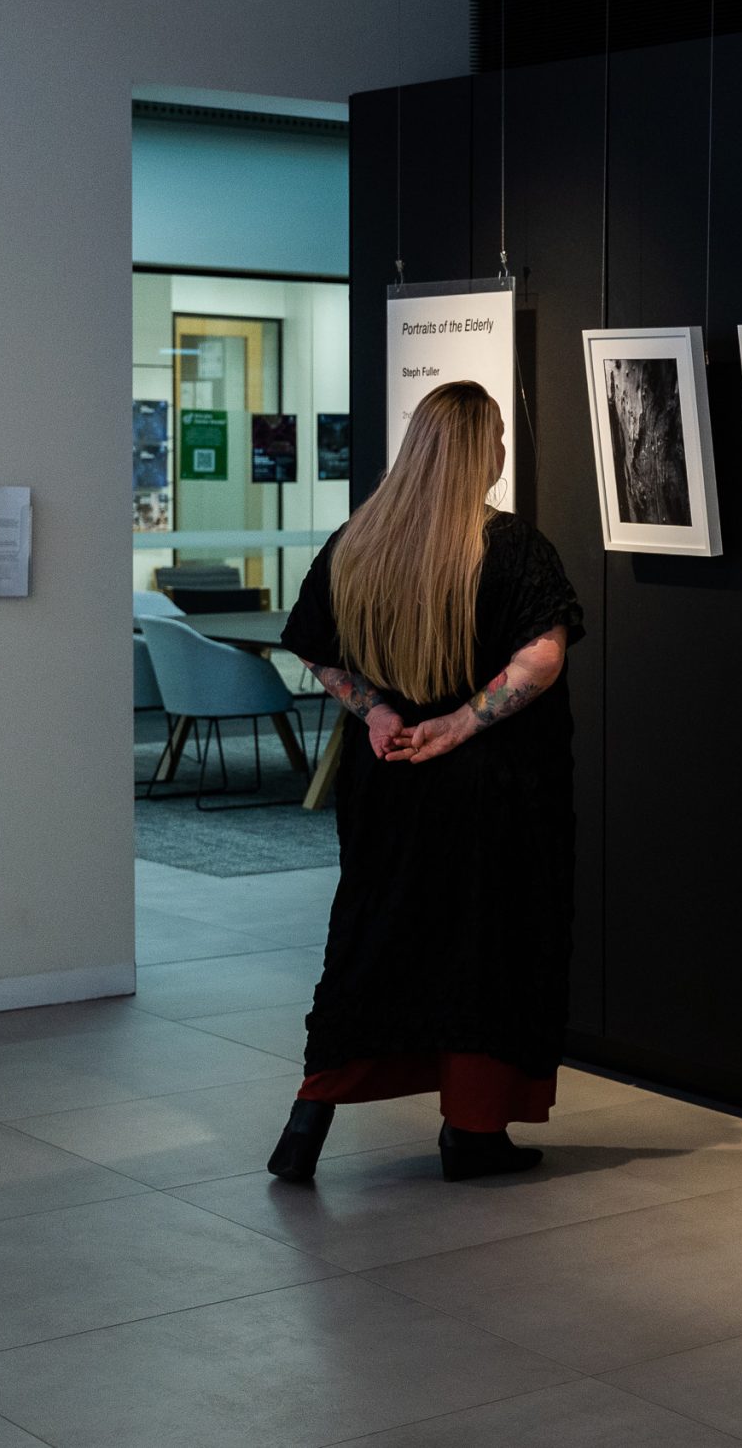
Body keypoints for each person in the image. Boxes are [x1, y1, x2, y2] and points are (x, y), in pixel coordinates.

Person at [265, 381, 583, 1184]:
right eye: (499, 437)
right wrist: (461, 723)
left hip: (388, 779)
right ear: (480, 452)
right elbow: (542, 657)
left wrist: (375, 713)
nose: (505, 451)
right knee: (485, 946)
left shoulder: (357, 541)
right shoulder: (509, 547)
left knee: (370, 940)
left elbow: (315, 649)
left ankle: (308, 1119)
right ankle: (472, 1133)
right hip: (488, 787)